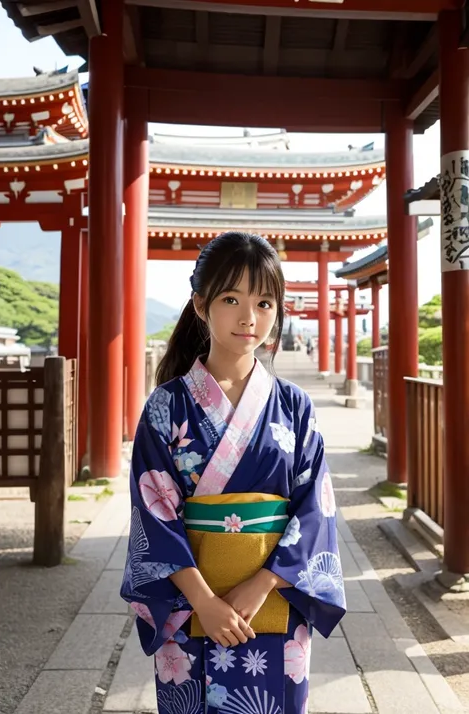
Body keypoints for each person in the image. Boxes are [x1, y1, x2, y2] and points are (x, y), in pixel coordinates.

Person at [120, 231, 346, 714]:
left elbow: (315, 509)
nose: (250, 317)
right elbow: (153, 513)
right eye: (231, 298)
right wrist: (204, 601)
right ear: (201, 305)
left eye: (265, 302)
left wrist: (263, 582)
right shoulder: (167, 406)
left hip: (274, 601)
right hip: (189, 605)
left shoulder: (294, 406)